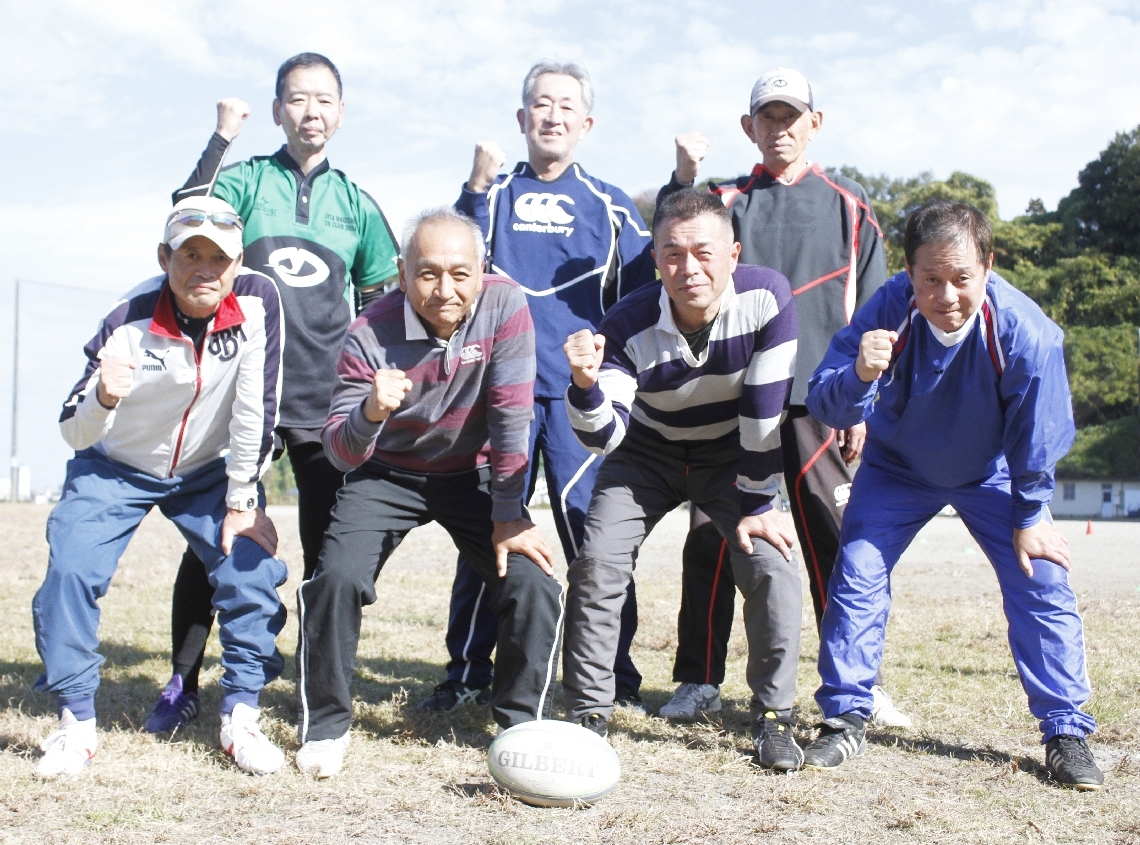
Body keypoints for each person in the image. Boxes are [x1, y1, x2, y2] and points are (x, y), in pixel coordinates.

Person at [800, 198, 1103, 790]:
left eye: (963, 278)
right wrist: (860, 374)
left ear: (988, 265)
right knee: (856, 571)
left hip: (992, 472)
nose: (946, 296)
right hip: (897, 468)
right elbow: (824, 401)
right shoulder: (887, 309)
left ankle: (1066, 731)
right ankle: (844, 717)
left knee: (1041, 575)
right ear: (908, 272)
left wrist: (1033, 510)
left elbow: (1039, 428)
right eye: (931, 279)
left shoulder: (1026, 333)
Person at [144, 52, 400, 734]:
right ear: (279, 108)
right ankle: (184, 680)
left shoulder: (359, 205)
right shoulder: (250, 181)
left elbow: (378, 303)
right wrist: (223, 137)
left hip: (326, 402)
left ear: (340, 113)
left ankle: (318, 686)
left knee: (327, 552)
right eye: (297, 98)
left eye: (324, 99)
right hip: (241, 392)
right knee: (214, 543)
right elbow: (183, 218)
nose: (311, 110)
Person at [657, 67, 907, 727]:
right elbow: (674, 242)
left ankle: (855, 682)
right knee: (711, 537)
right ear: (749, 128)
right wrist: (684, 178)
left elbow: (880, 314)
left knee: (835, 538)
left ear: (815, 124)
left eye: (792, 116)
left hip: (823, 397)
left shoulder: (850, 203)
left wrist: (865, 405)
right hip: (735, 397)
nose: (780, 128)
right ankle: (698, 678)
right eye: (767, 117)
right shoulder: (724, 198)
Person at [293, 208, 563, 779]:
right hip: (387, 472)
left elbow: (513, 414)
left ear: (481, 269)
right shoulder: (367, 332)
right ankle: (326, 726)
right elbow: (339, 453)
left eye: (460, 273)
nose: (445, 290)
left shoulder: (505, 304)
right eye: (428, 274)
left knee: (533, 582)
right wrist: (369, 412)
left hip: (476, 472)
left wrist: (510, 515)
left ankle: (519, 726)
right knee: (335, 578)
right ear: (401, 271)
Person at [422, 60, 656, 714]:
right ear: (522, 118)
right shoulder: (492, 194)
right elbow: (453, 267)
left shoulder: (610, 207)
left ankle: (614, 676)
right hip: (501, 396)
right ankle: (466, 674)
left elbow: (646, 292)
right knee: (489, 531)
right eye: (540, 105)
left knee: (597, 536)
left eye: (565, 106)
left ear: (586, 122)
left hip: (580, 398)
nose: (552, 115)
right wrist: (471, 184)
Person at [32, 197, 288, 778]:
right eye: (189, 255)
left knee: (250, 567)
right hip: (114, 464)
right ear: (164, 258)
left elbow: (257, 407)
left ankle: (241, 715)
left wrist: (242, 499)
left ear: (238, 260)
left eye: (218, 258)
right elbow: (73, 430)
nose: (205, 270)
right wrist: (103, 398)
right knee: (70, 571)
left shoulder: (257, 299)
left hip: (205, 468)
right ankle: (76, 723)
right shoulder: (130, 316)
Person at [561, 189, 805, 771]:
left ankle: (774, 717)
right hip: (646, 453)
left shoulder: (768, 296)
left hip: (732, 453)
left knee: (771, 564)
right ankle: (588, 713)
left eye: (703, 252)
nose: (688, 268)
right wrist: (584, 385)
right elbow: (605, 437)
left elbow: (765, 413)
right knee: (598, 562)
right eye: (672, 254)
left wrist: (758, 502)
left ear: (733, 252)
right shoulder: (625, 322)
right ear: (654, 259)